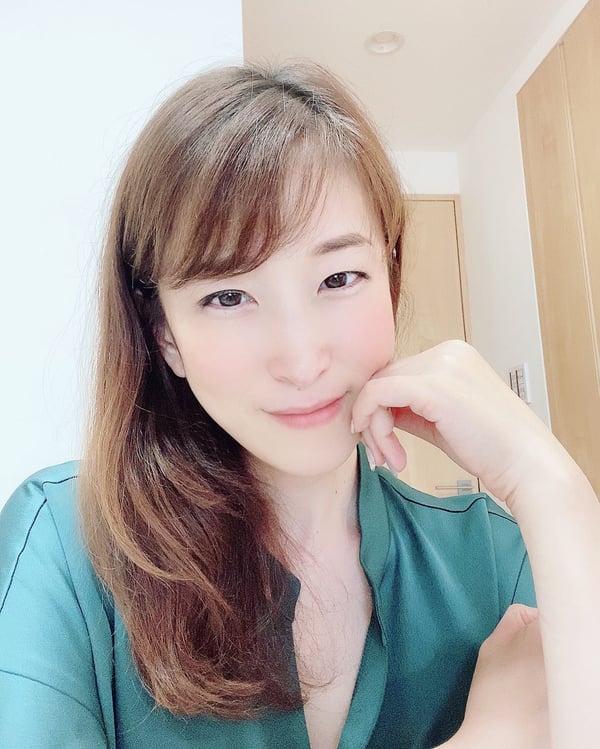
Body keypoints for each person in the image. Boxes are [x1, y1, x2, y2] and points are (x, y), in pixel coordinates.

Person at [0, 60, 597, 749]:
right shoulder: (65, 547)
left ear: (390, 279)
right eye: (228, 296)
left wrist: (550, 484)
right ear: (165, 336)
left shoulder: (495, 552)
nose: (302, 357)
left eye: (339, 278)